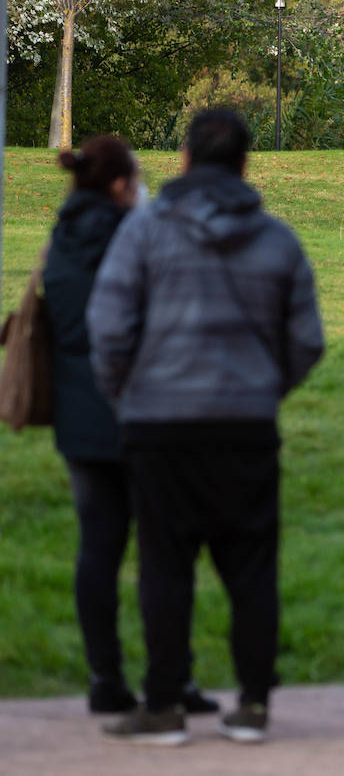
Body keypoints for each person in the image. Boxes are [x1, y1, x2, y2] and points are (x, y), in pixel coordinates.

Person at [88, 109, 325, 745]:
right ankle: (252, 706)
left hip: (158, 427)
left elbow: (107, 330)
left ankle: (162, 707)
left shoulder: (142, 233)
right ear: (245, 164)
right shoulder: (278, 241)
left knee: (165, 568)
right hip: (245, 427)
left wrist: (129, 396)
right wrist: (262, 388)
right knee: (252, 571)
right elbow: (306, 341)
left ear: (186, 159)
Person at [43, 136, 218, 718]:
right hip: (142, 411)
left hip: (79, 418)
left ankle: (104, 679)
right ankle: (173, 680)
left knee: (97, 549)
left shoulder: (61, 237)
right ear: (120, 185)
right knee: (164, 552)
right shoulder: (134, 236)